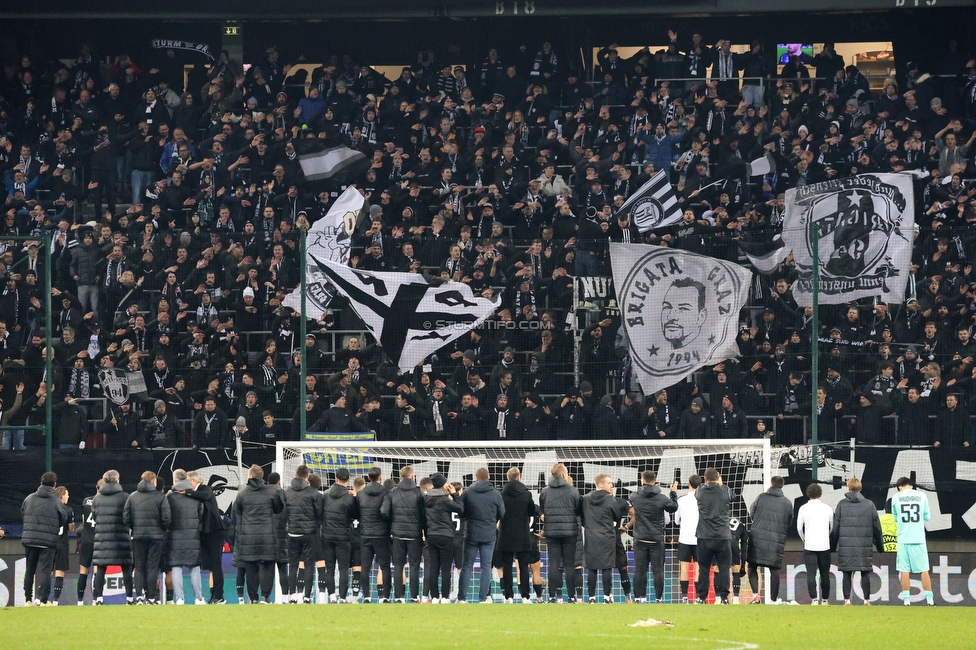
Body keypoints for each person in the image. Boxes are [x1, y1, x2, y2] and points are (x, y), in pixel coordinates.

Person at [232, 463, 285, 604]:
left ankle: (253, 598)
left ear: (250, 475)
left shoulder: (242, 494)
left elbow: (236, 515)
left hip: (248, 536)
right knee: (268, 566)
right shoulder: (271, 492)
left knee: (250, 567)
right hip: (267, 535)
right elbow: (278, 509)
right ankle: (265, 596)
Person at [830, 477, 883, 606]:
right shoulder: (869, 504)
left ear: (848, 488)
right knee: (865, 572)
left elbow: (835, 527)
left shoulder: (841, 504)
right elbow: (877, 527)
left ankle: (847, 600)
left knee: (846, 572)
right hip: (864, 545)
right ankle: (866, 600)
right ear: (860, 488)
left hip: (846, 545)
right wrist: (880, 546)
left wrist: (832, 546)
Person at [628, 470, 679, 603]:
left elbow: (636, 495)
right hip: (657, 539)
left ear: (642, 481)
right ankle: (658, 598)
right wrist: (673, 493)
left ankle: (639, 598)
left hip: (640, 538)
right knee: (658, 570)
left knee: (640, 569)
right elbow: (673, 507)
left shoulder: (635, 496)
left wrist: (648, 487)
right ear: (654, 481)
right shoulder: (661, 498)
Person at [458, 467, 505, 603]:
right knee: (486, 567)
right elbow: (502, 513)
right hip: (489, 535)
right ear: (488, 478)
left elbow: (461, 511)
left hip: (471, 533)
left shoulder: (467, 492)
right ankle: (483, 598)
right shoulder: (496, 494)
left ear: (476, 478)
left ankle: (462, 598)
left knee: (467, 566)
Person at [123, 470, 171, 604]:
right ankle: (150, 597)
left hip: (138, 536)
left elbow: (126, 517)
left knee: (139, 567)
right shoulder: (160, 497)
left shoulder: (132, 496)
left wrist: (135, 528)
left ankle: (139, 597)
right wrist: (161, 529)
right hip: (156, 537)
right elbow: (166, 518)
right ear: (154, 481)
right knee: (152, 567)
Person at [21, 471, 68, 606]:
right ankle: (43, 600)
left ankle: (28, 600)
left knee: (30, 569)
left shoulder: (29, 498)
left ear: (41, 482)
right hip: (48, 541)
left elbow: (23, 512)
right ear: (54, 485)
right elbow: (63, 519)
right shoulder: (56, 501)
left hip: (30, 539)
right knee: (46, 570)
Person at [746, 476, 794, 604]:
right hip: (776, 540)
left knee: (751, 566)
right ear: (782, 486)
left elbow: (752, 513)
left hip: (757, 538)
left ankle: (756, 595)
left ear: (771, 484)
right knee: (775, 570)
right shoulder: (787, 503)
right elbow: (789, 522)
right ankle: (773, 600)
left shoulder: (761, 497)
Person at [539, 463, 581, 603]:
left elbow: (543, 509)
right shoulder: (573, 491)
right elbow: (578, 511)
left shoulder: (545, 491)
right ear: (564, 475)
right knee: (569, 565)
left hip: (551, 532)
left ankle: (551, 596)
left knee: (553, 564)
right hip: (570, 533)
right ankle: (571, 596)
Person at [890, 477, 935, 606]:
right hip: (919, 538)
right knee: (924, 569)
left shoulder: (896, 497)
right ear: (911, 485)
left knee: (904, 570)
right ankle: (930, 600)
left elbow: (896, 518)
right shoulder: (922, 495)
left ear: (899, 487)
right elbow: (927, 516)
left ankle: (906, 600)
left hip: (903, 539)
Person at [92, 470, 134, 605]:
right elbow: (129, 517)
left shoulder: (97, 498)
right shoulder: (125, 497)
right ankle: (129, 598)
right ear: (117, 480)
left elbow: (94, 517)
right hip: (121, 537)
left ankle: (98, 598)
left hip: (102, 538)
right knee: (126, 567)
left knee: (101, 568)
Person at [186, 470, 228, 604]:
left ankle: (219, 595)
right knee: (210, 565)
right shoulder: (195, 494)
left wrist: (186, 492)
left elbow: (204, 495)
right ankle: (213, 596)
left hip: (215, 531)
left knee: (216, 564)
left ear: (193, 481)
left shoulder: (205, 489)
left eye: (186, 482)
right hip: (204, 533)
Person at [284, 464, 323, 604]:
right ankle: (306, 596)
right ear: (307, 477)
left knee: (293, 565)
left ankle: (293, 596)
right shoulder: (313, 493)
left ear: (296, 475)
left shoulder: (287, 492)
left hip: (293, 533)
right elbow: (320, 513)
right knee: (308, 565)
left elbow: (284, 513)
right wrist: (314, 526)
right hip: (308, 534)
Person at [581, 473, 622, 604]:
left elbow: (582, 517)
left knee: (591, 568)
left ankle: (591, 598)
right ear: (600, 485)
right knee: (606, 568)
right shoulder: (610, 499)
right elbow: (618, 516)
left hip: (591, 537)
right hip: (607, 537)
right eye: (609, 483)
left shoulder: (585, 499)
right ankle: (606, 597)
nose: (612, 485)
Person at [167, 469, 205, 605]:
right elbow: (201, 515)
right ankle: (199, 598)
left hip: (175, 536)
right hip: (193, 536)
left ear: (174, 480)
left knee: (176, 567)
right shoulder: (195, 495)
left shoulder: (169, 496)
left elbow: (166, 517)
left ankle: (180, 599)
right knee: (194, 568)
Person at [498, 467, 536, 603]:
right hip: (522, 534)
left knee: (507, 566)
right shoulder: (526, 494)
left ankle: (508, 596)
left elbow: (499, 512)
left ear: (508, 478)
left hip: (506, 533)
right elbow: (532, 511)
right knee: (523, 566)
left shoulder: (501, 494)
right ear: (519, 477)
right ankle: (525, 596)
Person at [388, 466, 426, 602]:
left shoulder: (393, 492)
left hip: (397, 535)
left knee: (398, 566)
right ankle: (414, 596)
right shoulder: (419, 493)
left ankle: (399, 597)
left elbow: (385, 512)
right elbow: (424, 516)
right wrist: (425, 535)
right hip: (414, 535)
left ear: (400, 477)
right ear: (412, 477)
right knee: (414, 566)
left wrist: (391, 528)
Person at [424, 473, 463, 603]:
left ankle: (434, 596)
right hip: (445, 535)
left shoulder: (426, 499)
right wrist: (454, 494)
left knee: (433, 567)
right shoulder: (444, 500)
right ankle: (445, 596)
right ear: (442, 484)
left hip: (431, 535)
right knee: (446, 568)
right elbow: (460, 509)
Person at [695, 468, 732, 604]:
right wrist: (720, 484)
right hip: (722, 536)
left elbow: (699, 489)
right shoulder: (725, 491)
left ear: (705, 480)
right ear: (718, 478)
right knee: (723, 568)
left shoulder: (700, 491)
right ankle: (724, 598)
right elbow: (732, 496)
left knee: (704, 568)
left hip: (704, 536)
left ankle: (701, 597)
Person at [321, 467, 359, 603]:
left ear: (336, 478)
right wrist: (356, 497)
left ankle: (331, 597)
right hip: (343, 536)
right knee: (343, 568)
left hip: (327, 536)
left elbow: (321, 514)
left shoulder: (325, 494)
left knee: (329, 568)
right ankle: (342, 598)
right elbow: (356, 515)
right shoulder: (350, 497)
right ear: (348, 480)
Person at [796, 482, 834, 605]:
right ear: (820, 493)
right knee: (825, 574)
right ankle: (825, 600)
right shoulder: (827, 508)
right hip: (824, 545)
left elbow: (799, 528)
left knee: (811, 574)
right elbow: (831, 527)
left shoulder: (803, 508)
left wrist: (804, 539)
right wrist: (825, 536)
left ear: (808, 494)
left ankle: (813, 599)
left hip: (809, 545)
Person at [359, 467, 392, 603]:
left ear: (368, 478)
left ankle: (366, 596)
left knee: (365, 567)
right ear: (380, 478)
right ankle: (385, 597)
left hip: (365, 534)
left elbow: (357, 512)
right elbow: (386, 511)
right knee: (384, 566)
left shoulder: (361, 493)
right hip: (381, 534)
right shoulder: (386, 492)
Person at [674, 474, 702, 602]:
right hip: (699, 538)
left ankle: (685, 597)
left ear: (688, 484)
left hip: (685, 538)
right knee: (698, 568)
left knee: (684, 568)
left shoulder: (681, 500)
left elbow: (676, 521)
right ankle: (697, 597)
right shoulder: (703, 500)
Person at [76, 479, 103, 605]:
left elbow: (83, 521)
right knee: (98, 571)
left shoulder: (86, 501)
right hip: (99, 540)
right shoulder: (105, 502)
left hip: (86, 540)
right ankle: (96, 599)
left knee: (83, 571)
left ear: (96, 487)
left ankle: (80, 601)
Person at [51, 486, 74, 604]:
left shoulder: (50, 508)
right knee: (59, 572)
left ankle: (39, 599)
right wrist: (71, 522)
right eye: (67, 494)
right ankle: (55, 601)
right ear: (62, 495)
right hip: (62, 544)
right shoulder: (68, 510)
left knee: (46, 572)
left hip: (50, 544)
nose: (68, 496)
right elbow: (71, 529)